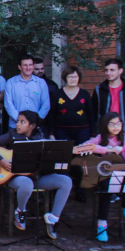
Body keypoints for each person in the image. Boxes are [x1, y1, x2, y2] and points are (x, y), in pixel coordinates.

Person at [0, 110, 72, 240]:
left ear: (32, 126)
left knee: (65, 181)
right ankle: (20, 211)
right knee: (26, 183)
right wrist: (0, 160)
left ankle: (53, 218)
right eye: (18, 121)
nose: (18, 124)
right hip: (16, 178)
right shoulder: (12, 134)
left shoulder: (41, 138)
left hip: (36, 176)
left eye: (22, 122)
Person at [84, 113, 125, 242]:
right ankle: (102, 224)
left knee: (124, 182)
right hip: (106, 175)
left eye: (118, 124)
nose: (115, 127)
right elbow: (84, 146)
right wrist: (106, 150)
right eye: (112, 124)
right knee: (106, 189)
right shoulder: (101, 138)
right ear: (105, 125)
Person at [49, 66, 95, 202]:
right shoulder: (57, 94)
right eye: (70, 76)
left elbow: (91, 115)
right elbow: (52, 115)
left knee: (80, 161)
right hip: (62, 131)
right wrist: (51, 133)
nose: (73, 79)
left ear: (79, 78)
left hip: (82, 132)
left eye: (75, 76)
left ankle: (79, 189)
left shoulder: (85, 94)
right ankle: (62, 189)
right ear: (65, 78)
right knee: (63, 161)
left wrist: (93, 134)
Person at [93, 58, 125, 138]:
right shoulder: (99, 89)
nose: (108, 73)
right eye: (106, 70)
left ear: (120, 71)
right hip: (106, 133)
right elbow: (94, 111)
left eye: (112, 70)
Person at [4, 55, 50, 130]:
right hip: (15, 126)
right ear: (19, 67)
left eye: (30, 65)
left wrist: (35, 120)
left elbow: (46, 104)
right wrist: (20, 120)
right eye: (25, 65)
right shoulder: (11, 82)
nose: (28, 68)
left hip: (34, 126)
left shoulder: (41, 83)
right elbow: (8, 104)